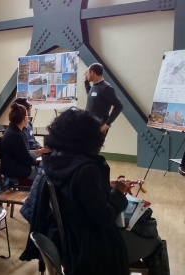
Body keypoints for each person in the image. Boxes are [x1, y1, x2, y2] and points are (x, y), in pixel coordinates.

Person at [42, 108, 163, 275]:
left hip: (72, 240)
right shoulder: (86, 169)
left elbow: (76, 192)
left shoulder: (56, 161)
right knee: (156, 242)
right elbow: (104, 218)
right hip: (94, 248)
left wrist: (104, 184)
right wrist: (119, 193)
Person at [1, 103, 50, 186]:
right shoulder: (15, 135)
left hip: (17, 169)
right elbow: (29, 160)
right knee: (46, 181)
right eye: (27, 115)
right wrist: (39, 153)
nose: (28, 118)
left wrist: (39, 151)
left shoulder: (14, 131)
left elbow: (25, 153)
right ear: (24, 118)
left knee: (45, 173)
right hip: (17, 174)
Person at [84, 63, 123, 134]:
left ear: (92, 72)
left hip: (98, 127)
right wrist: (86, 82)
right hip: (89, 124)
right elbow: (90, 96)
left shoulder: (106, 88)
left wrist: (107, 124)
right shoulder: (95, 86)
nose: (86, 75)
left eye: (87, 73)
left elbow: (119, 106)